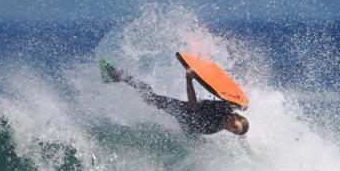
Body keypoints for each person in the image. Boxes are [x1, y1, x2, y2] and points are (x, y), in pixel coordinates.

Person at [100, 59, 249, 135]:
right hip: (183, 111)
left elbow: (195, 106)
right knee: (149, 98)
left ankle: (117, 76)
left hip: (189, 125)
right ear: (235, 116)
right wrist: (242, 104)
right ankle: (118, 75)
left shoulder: (216, 125)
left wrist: (189, 79)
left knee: (150, 99)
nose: (231, 129)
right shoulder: (222, 111)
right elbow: (195, 105)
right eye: (235, 127)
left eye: (234, 132)